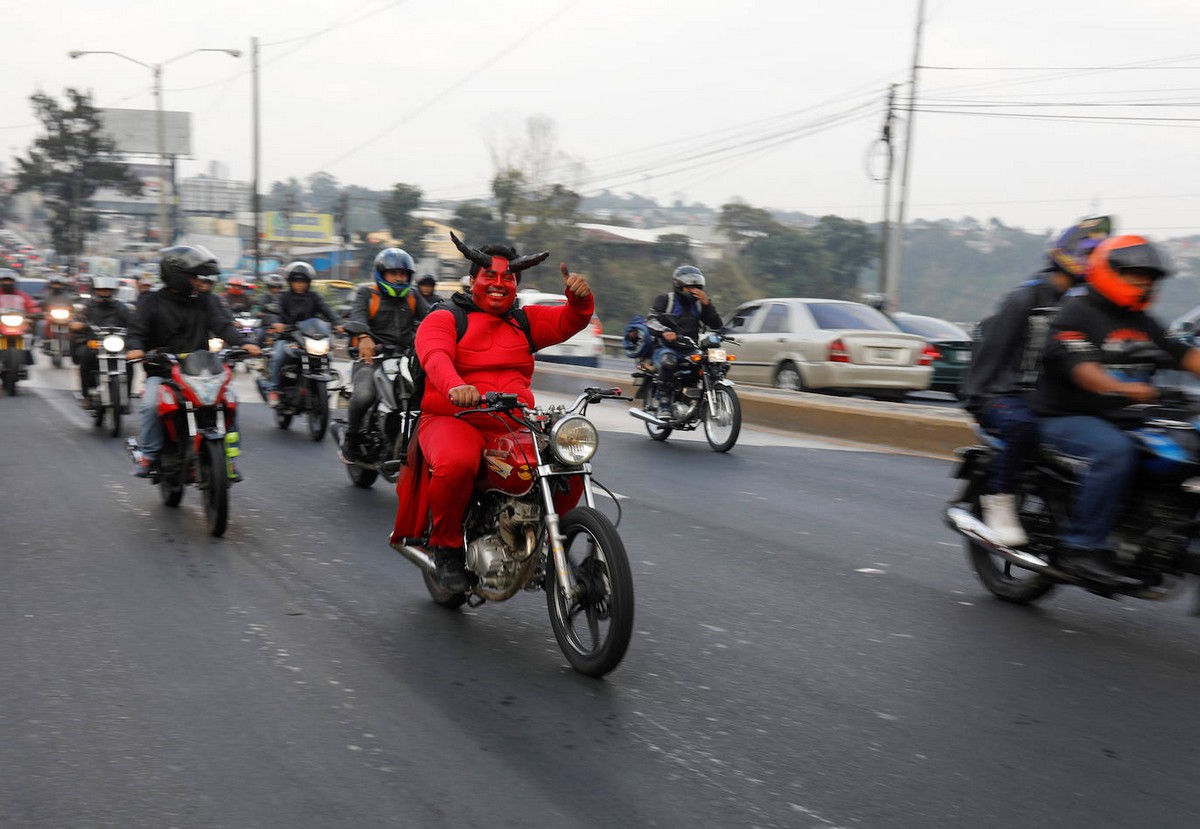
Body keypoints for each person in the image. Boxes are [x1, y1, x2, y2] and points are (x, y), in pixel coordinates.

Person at [390, 233, 594, 592]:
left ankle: (549, 544)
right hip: (451, 417)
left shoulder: (524, 321)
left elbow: (569, 321)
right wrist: (455, 386)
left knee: (567, 461)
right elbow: (434, 355)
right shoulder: (445, 317)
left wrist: (579, 299)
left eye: (508, 278)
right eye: (490, 276)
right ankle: (447, 548)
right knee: (456, 463)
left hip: (513, 422)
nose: (499, 284)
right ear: (473, 280)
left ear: (515, 284)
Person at [1032, 234, 1200, 584]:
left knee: (1181, 449)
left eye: (1150, 277)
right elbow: (1080, 368)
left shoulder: (1144, 321)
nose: (1145, 283)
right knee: (1115, 452)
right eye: (1136, 274)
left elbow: (1184, 355)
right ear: (1109, 270)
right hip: (1065, 417)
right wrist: (1121, 387)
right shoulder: (1077, 311)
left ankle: (1155, 532)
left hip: (1125, 418)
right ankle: (1080, 547)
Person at [963, 216, 1111, 547]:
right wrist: (977, 398)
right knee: (1022, 426)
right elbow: (992, 349)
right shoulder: (1027, 298)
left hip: (1042, 398)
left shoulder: (1078, 304)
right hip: (1002, 394)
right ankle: (998, 499)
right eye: (1091, 254)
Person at [126, 246, 261, 478]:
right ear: (177, 276)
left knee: (230, 400)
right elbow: (137, 331)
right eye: (196, 277)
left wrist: (243, 344)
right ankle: (149, 454)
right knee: (149, 405)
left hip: (201, 371)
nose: (203, 282)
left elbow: (222, 325)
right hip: (163, 372)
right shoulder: (150, 302)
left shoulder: (207, 301)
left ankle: (229, 458)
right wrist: (136, 348)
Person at [342, 248, 429, 459]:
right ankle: (351, 438)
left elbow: (433, 317)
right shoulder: (367, 294)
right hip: (372, 359)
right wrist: (363, 336)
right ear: (382, 273)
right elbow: (358, 316)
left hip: (405, 359)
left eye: (403, 274)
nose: (399, 278)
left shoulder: (412, 296)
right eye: (394, 273)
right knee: (364, 395)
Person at [262, 261, 342, 406]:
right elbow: (275, 311)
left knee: (327, 354)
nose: (299, 284)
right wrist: (277, 323)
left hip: (309, 337)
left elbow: (327, 310)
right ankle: (273, 389)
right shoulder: (283, 297)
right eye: (296, 281)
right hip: (288, 337)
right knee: (279, 355)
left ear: (308, 282)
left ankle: (321, 388)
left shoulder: (315, 297)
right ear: (290, 282)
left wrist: (338, 323)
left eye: (303, 281)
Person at [647, 265, 723, 406]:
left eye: (697, 287)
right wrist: (664, 331)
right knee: (668, 362)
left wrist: (707, 304)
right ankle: (664, 403)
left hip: (691, 348)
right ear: (679, 285)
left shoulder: (700, 305)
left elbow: (716, 324)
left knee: (716, 362)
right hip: (666, 347)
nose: (694, 291)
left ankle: (704, 396)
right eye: (689, 287)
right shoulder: (666, 299)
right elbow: (651, 320)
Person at [69, 275, 132, 406]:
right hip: (94, 343)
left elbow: (132, 323)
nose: (104, 292)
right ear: (95, 290)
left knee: (130, 363)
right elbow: (75, 320)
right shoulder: (87, 306)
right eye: (101, 289)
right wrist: (78, 324)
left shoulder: (121, 307)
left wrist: (134, 329)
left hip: (116, 344)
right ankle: (86, 394)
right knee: (85, 358)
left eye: (108, 289)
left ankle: (127, 395)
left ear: (113, 291)